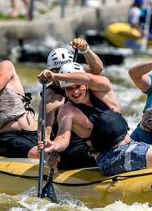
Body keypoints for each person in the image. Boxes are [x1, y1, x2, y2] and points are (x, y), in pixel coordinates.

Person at [38, 63, 152, 175]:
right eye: (69, 89)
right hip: (111, 158)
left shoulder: (103, 89)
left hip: (132, 145)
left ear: (85, 85)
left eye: (78, 86)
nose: (75, 92)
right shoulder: (67, 110)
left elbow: (89, 78)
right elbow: (63, 137)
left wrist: (56, 76)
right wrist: (54, 145)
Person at [41, 38, 104, 170]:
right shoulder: (51, 98)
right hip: (71, 147)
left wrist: (86, 50)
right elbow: (43, 135)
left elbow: (98, 69)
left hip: (92, 138)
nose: (62, 74)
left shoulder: (79, 75)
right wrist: (48, 156)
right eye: (57, 71)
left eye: (64, 69)